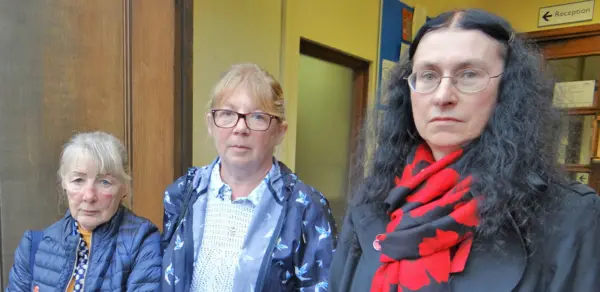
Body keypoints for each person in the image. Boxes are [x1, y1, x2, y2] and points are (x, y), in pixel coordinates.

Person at [330, 9, 600, 292]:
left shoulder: (569, 215)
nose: (443, 95)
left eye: (469, 74)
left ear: (508, 90)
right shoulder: (373, 199)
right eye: (428, 75)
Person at [161, 63, 337, 292]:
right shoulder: (182, 194)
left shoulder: (306, 208)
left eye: (257, 117)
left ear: (279, 132)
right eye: (227, 114)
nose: (240, 128)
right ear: (210, 125)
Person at [6, 131, 161, 291]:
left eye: (104, 182)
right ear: (64, 183)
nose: (89, 196)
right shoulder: (34, 247)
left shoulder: (143, 242)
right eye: (78, 180)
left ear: (124, 188)